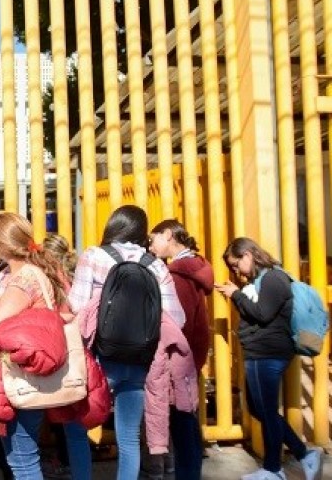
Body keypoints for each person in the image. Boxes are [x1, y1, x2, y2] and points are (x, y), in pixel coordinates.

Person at [68, 205, 185, 480]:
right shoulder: (155, 265)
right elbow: (176, 318)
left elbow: (76, 306)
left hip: (99, 359)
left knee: (76, 428)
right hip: (139, 360)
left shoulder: (94, 256)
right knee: (129, 437)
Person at [0, 213, 80, 480]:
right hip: (32, 370)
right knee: (23, 453)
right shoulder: (37, 272)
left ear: (1, 245)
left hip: (20, 373)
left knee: (22, 458)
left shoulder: (24, 280)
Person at [216, 237, 323, 480]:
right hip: (260, 352)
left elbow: (263, 315)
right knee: (260, 409)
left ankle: (273, 470)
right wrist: (238, 296)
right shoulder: (262, 279)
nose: (235, 271)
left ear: (247, 256)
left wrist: (236, 295)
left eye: (235, 264)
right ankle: (304, 454)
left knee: (266, 410)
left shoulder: (274, 278)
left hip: (268, 353)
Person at [147, 219, 213, 480]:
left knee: (182, 423)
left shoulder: (178, 274)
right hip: (193, 353)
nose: (151, 246)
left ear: (169, 235)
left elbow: (177, 322)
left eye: (154, 239)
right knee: (187, 420)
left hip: (179, 356)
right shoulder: (195, 266)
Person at [41, 233, 91, 480]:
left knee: (64, 413)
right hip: (80, 351)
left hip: (62, 349)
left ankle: (64, 462)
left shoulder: (53, 280)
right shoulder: (75, 276)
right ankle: (74, 465)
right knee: (73, 417)